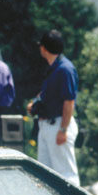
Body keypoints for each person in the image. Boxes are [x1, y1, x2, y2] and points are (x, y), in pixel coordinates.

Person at [28, 29, 80, 185]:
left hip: (58, 124)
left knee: (66, 173)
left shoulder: (65, 69)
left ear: (44, 48)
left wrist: (63, 130)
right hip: (47, 125)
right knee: (45, 174)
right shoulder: (54, 68)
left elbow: (69, 102)